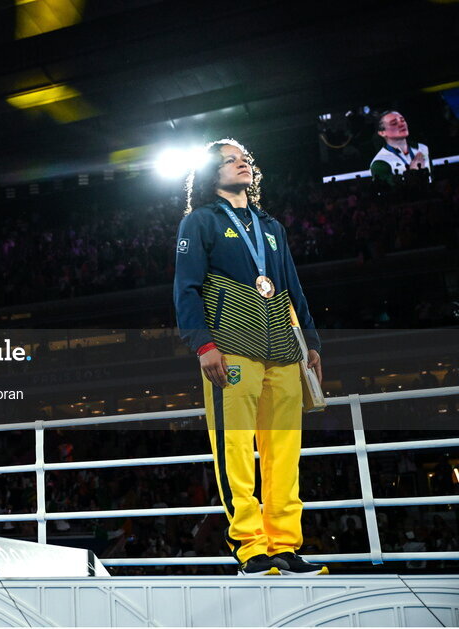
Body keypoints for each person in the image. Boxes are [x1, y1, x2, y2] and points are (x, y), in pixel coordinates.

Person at [174, 139, 328, 576]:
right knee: (236, 449)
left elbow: (293, 288)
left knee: (284, 452)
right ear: (210, 175)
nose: (241, 164)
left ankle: (284, 545)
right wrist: (202, 344)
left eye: (243, 159)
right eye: (228, 161)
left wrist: (311, 344)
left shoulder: (271, 226)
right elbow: (185, 288)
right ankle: (249, 545)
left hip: (282, 348)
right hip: (231, 347)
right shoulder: (199, 221)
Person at [370, 111, 431, 182]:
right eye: (394, 123)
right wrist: (413, 172)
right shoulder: (380, 162)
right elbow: (391, 191)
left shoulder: (422, 148)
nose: (402, 124)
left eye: (402, 120)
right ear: (382, 133)